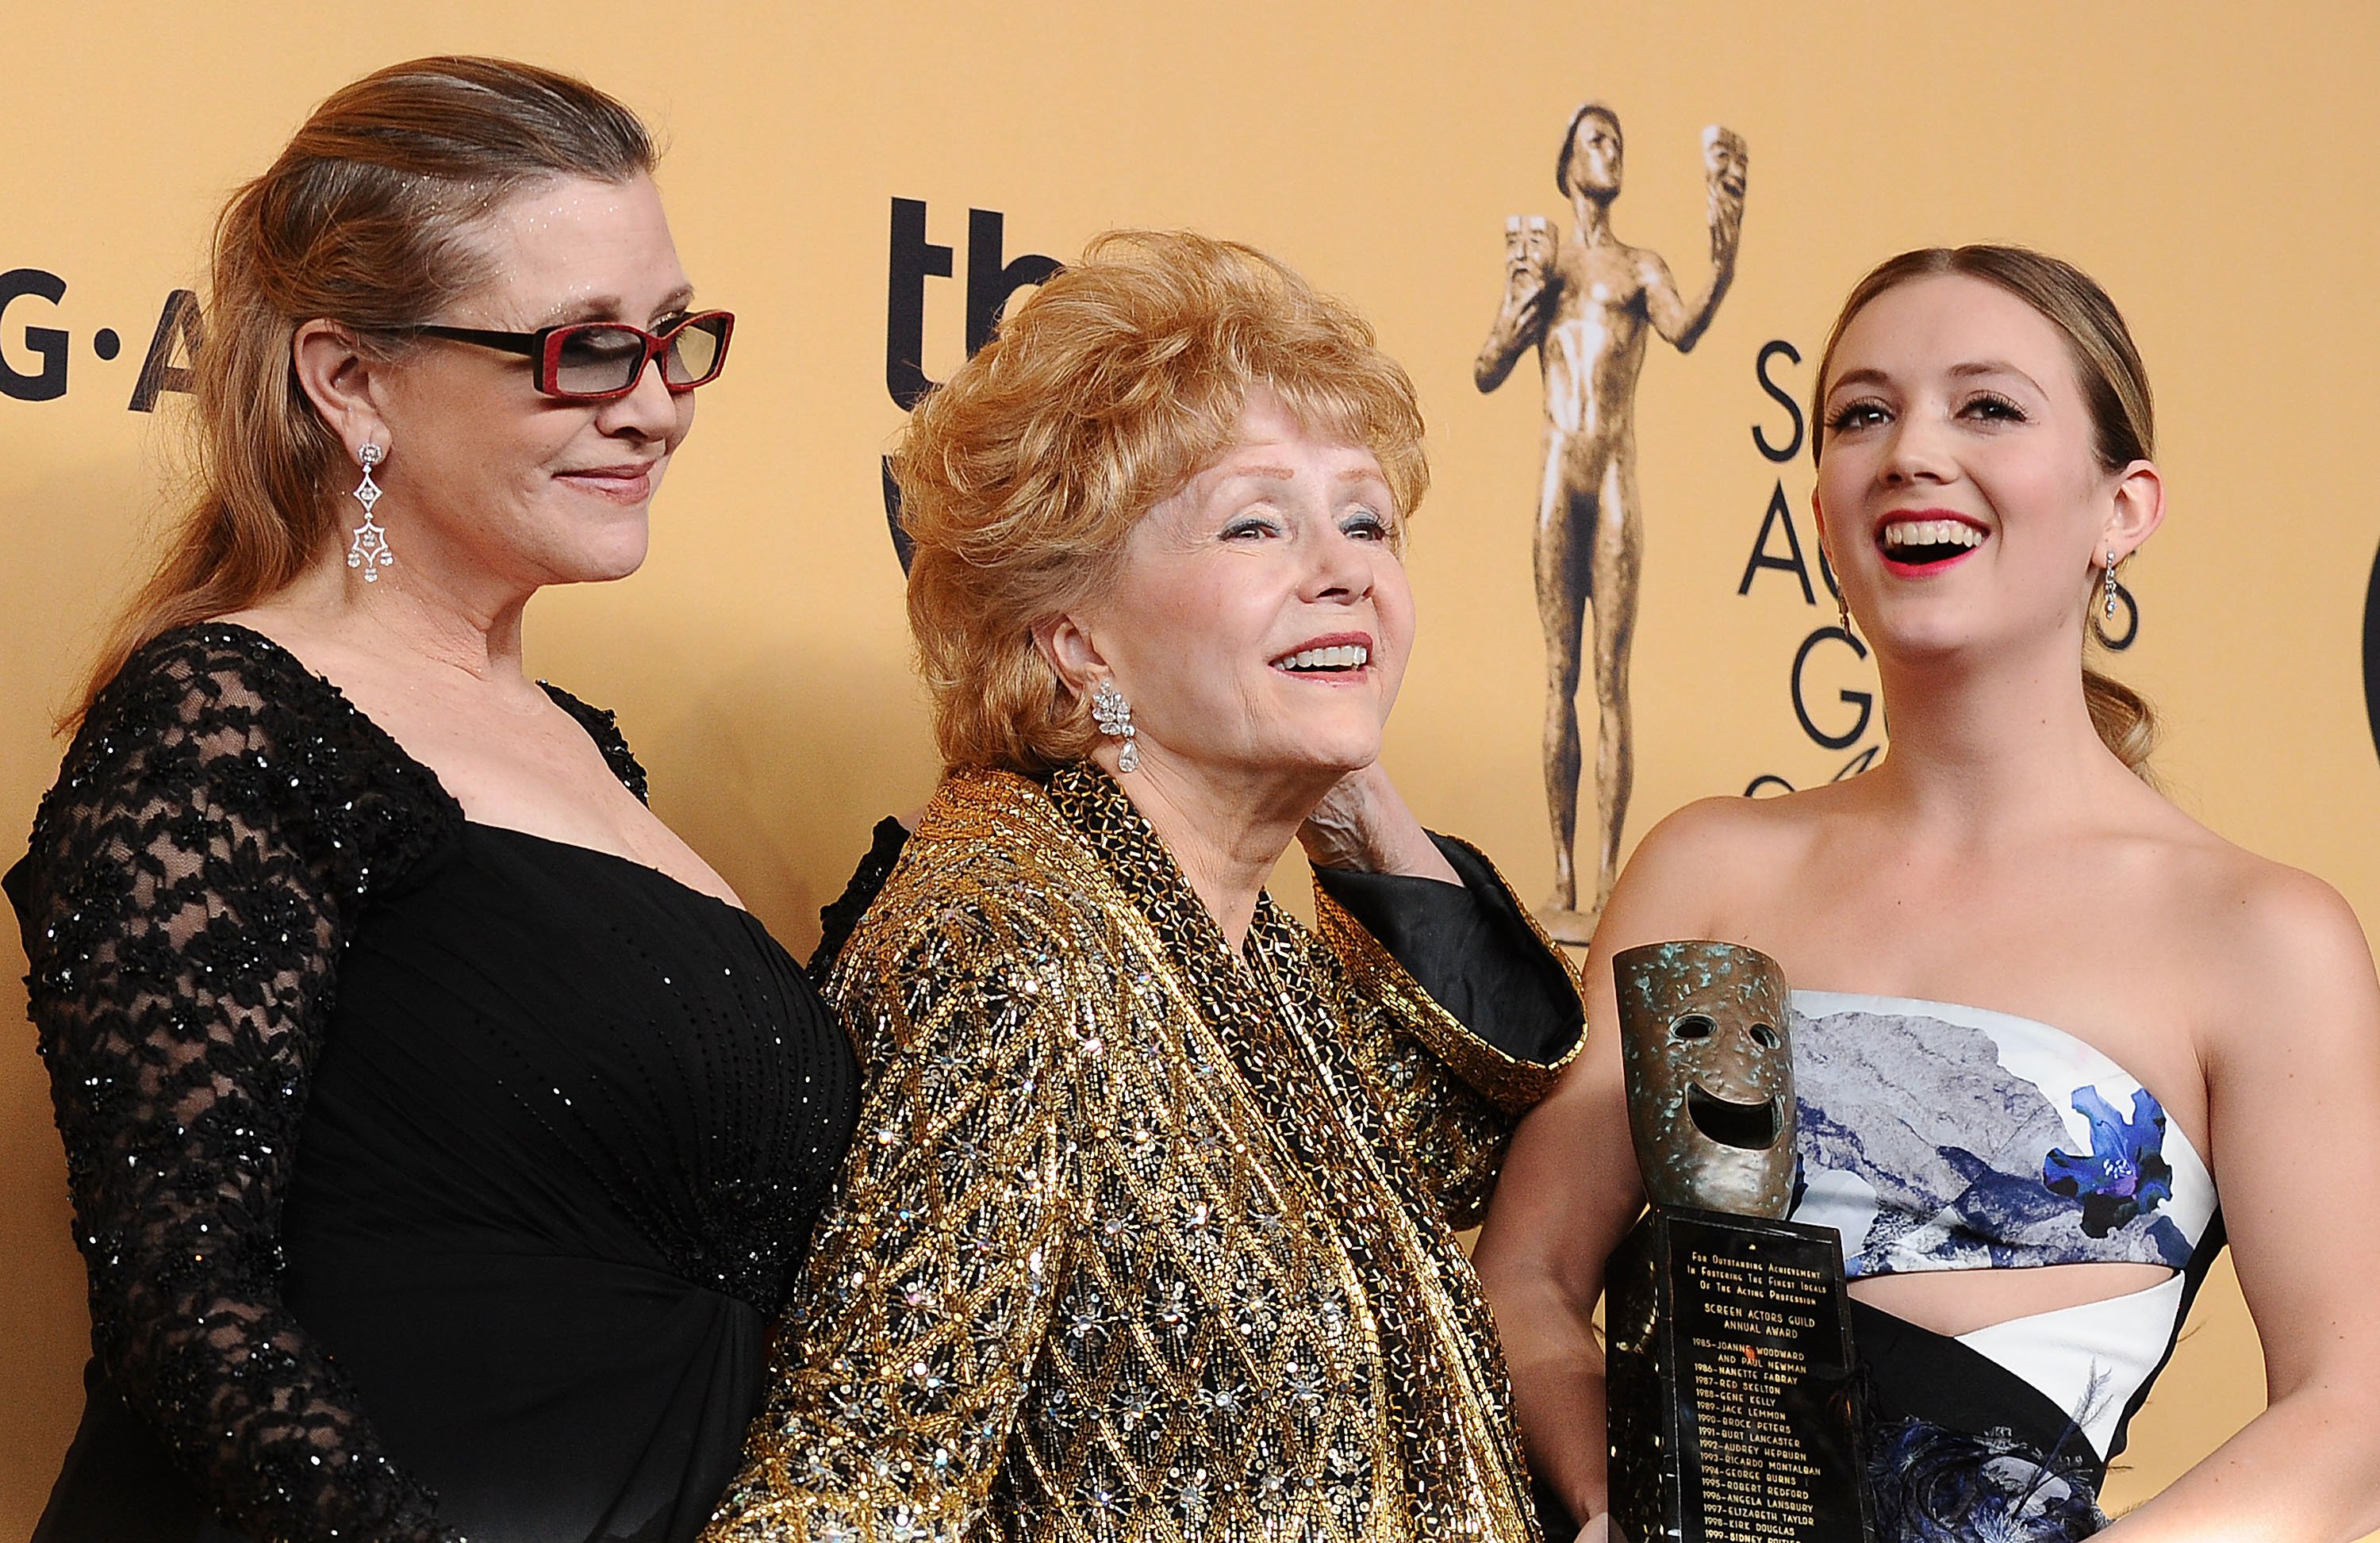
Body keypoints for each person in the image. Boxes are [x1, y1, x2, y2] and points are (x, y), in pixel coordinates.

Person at [6, 58, 858, 1543]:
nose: (656, 405)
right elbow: (188, 1309)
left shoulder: (598, 755)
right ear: (351, 380)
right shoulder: (223, 721)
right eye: (585, 350)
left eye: (673, 340)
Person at [1472, 245, 2380, 1541]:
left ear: (2123, 508)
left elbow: (2354, 1423)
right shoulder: (1709, 868)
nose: (1910, 452)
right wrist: (1609, 1499)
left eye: (1989, 407)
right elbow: (1527, 1278)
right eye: (1862, 415)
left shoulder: (2257, 935)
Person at [702, 231, 1586, 1541]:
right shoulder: (1007, 941)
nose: (1343, 567)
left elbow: (1481, 1137)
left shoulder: (1241, 948)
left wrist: (1350, 787)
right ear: (1075, 636)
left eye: (1365, 521)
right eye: (1255, 523)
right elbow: (862, 1484)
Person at [1472, 102, 1747, 938]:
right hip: (1562, 473)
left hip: (1615, 473)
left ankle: (1604, 883)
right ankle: (1563, 880)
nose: (1611, 152)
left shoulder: (1638, 267)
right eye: (1596, 139)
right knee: (1560, 672)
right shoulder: (1542, 267)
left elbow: (1687, 324)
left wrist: (1724, 248)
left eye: (1619, 141)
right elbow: (1486, 368)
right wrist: (1514, 319)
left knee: (1610, 681)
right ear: (1567, 163)